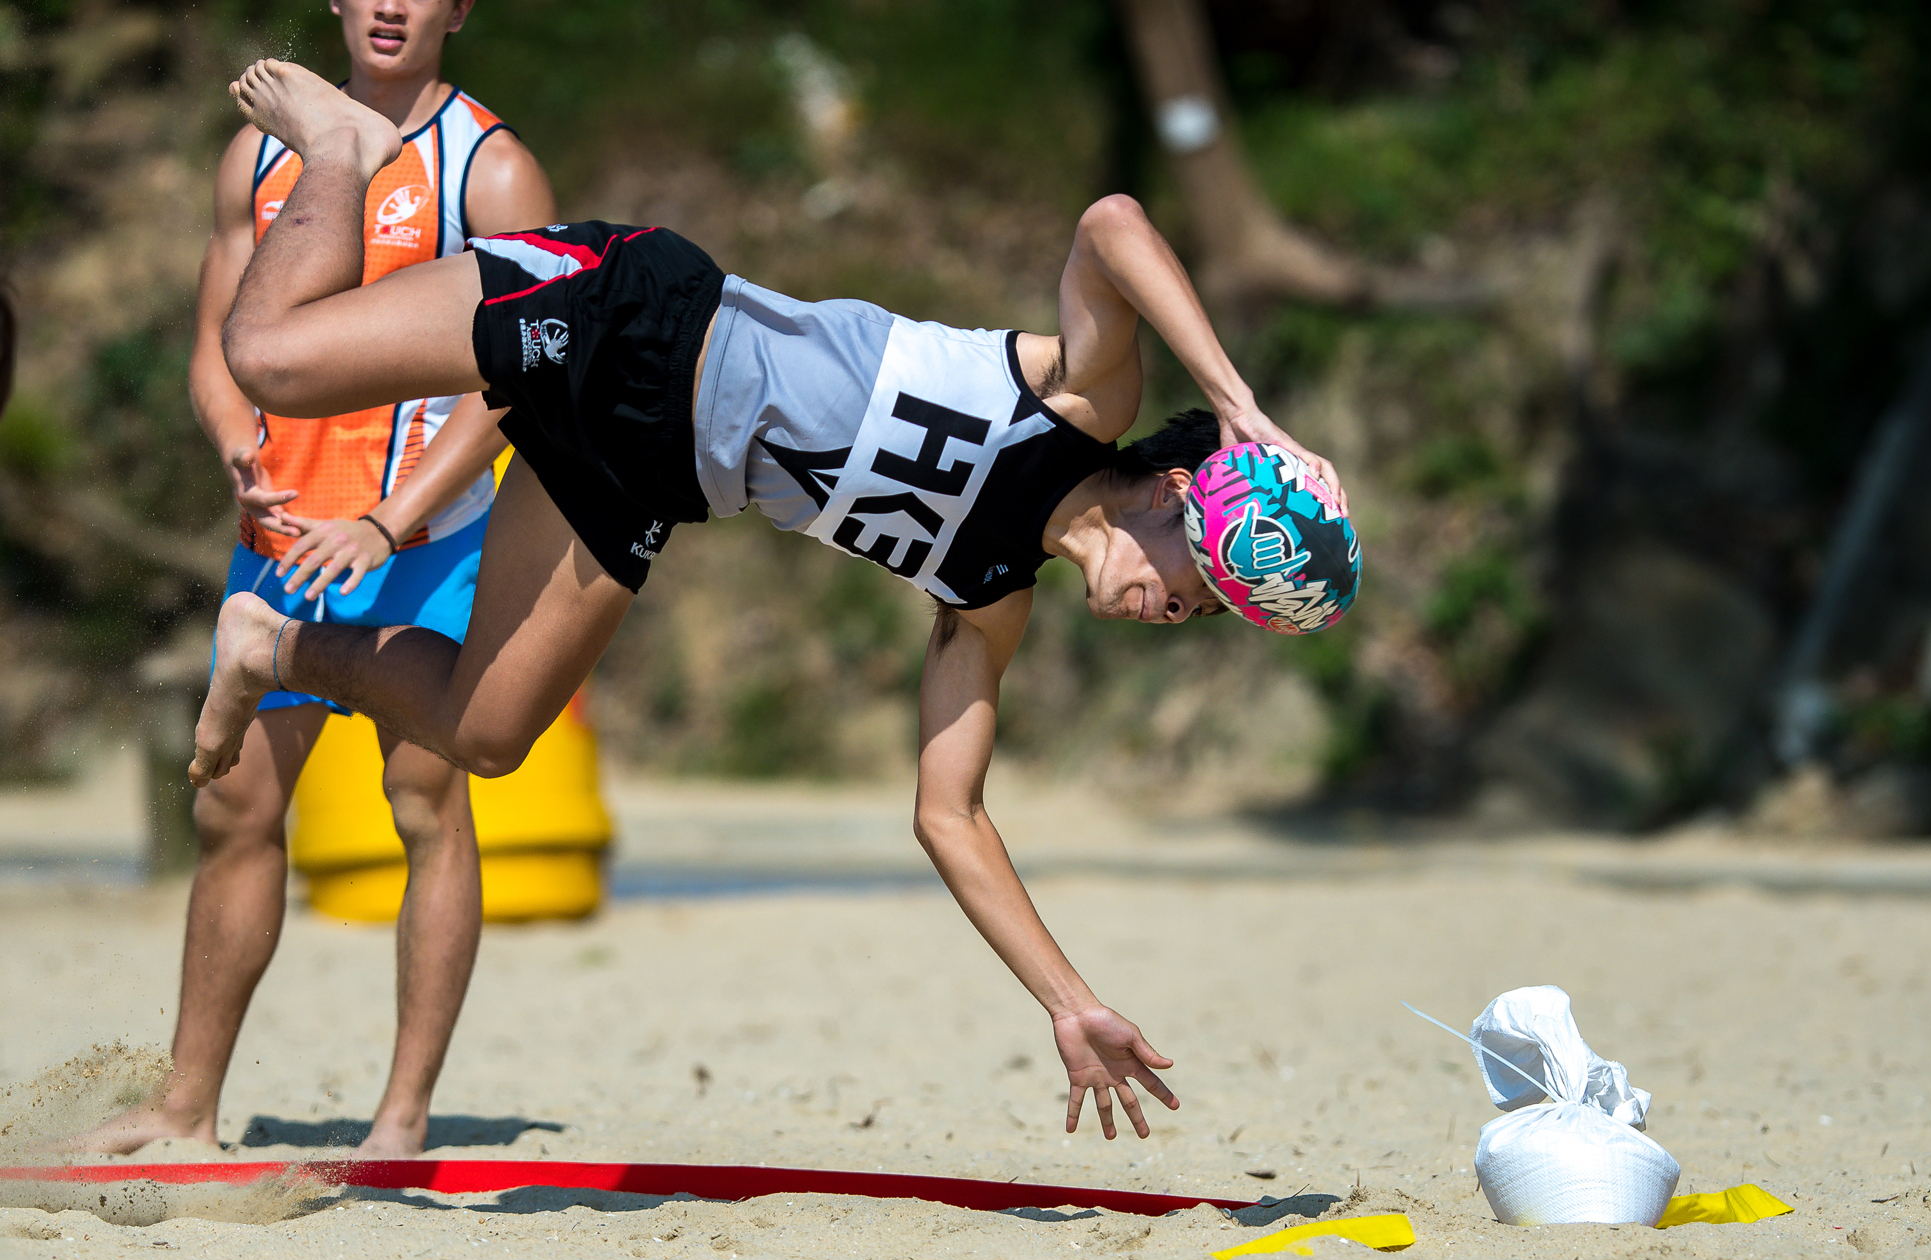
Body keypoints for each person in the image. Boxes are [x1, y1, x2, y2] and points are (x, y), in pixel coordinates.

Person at [192, 57, 1353, 1141]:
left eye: (1200, 617)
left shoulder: (990, 594)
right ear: (1174, 496)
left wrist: (1066, 1003)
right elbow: (1111, 224)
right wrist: (1237, 401)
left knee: (485, 737)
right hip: (633, 314)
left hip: (653, 470)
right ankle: (343, 151)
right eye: (1199, 590)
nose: (1174, 613)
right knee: (272, 363)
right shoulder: (1081, 402)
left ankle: (272, 645)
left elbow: (948, 817)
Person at [80, 7, 556, 1158]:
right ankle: (187, 1109)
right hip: (284, 542)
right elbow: (215, 336)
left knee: (425, 807)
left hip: (429, 543)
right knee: (231, 810)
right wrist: (234, 442)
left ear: (459, 9)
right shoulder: (259, 148)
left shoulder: (491, 167)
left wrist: (395, 523)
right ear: (337, 4)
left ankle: (400, 1119)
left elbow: (523, 372)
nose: (392, 4)